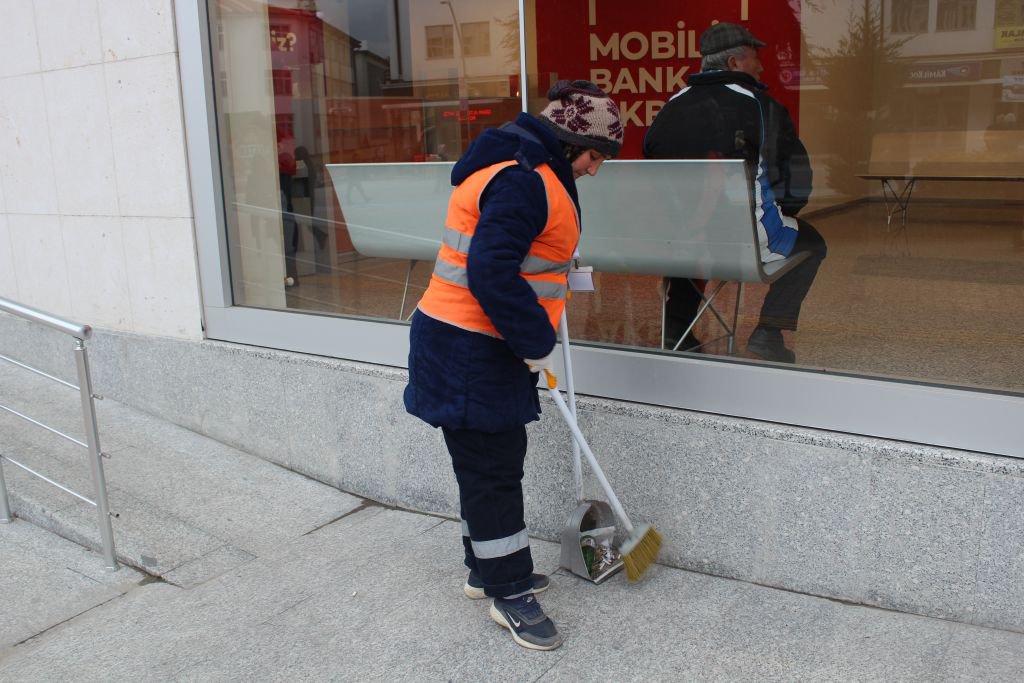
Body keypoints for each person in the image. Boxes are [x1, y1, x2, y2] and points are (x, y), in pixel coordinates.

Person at [404, 80, 623, 651]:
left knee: (488, 467)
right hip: (471, 346)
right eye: (596, 156)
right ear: (571, 140)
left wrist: (559, 282)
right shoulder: (524, 181)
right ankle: (508, 593)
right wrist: (534, 341)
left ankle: (488, 570)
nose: (596, 170)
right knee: (493, 472)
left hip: (471, 340)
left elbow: (520, 259)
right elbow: (490, 272)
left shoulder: (521, 166)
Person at [643, 22, 827, 363]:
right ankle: (768, 333)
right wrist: (789, 210)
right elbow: (794, 173)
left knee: (691, 235)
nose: (760, 66)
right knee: (813, 244)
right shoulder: (762, 106)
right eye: (755, 58)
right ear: (733, 64)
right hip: (743, 237)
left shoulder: (671, 107)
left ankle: (677, 327)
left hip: (682, 238)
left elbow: (655, 164)